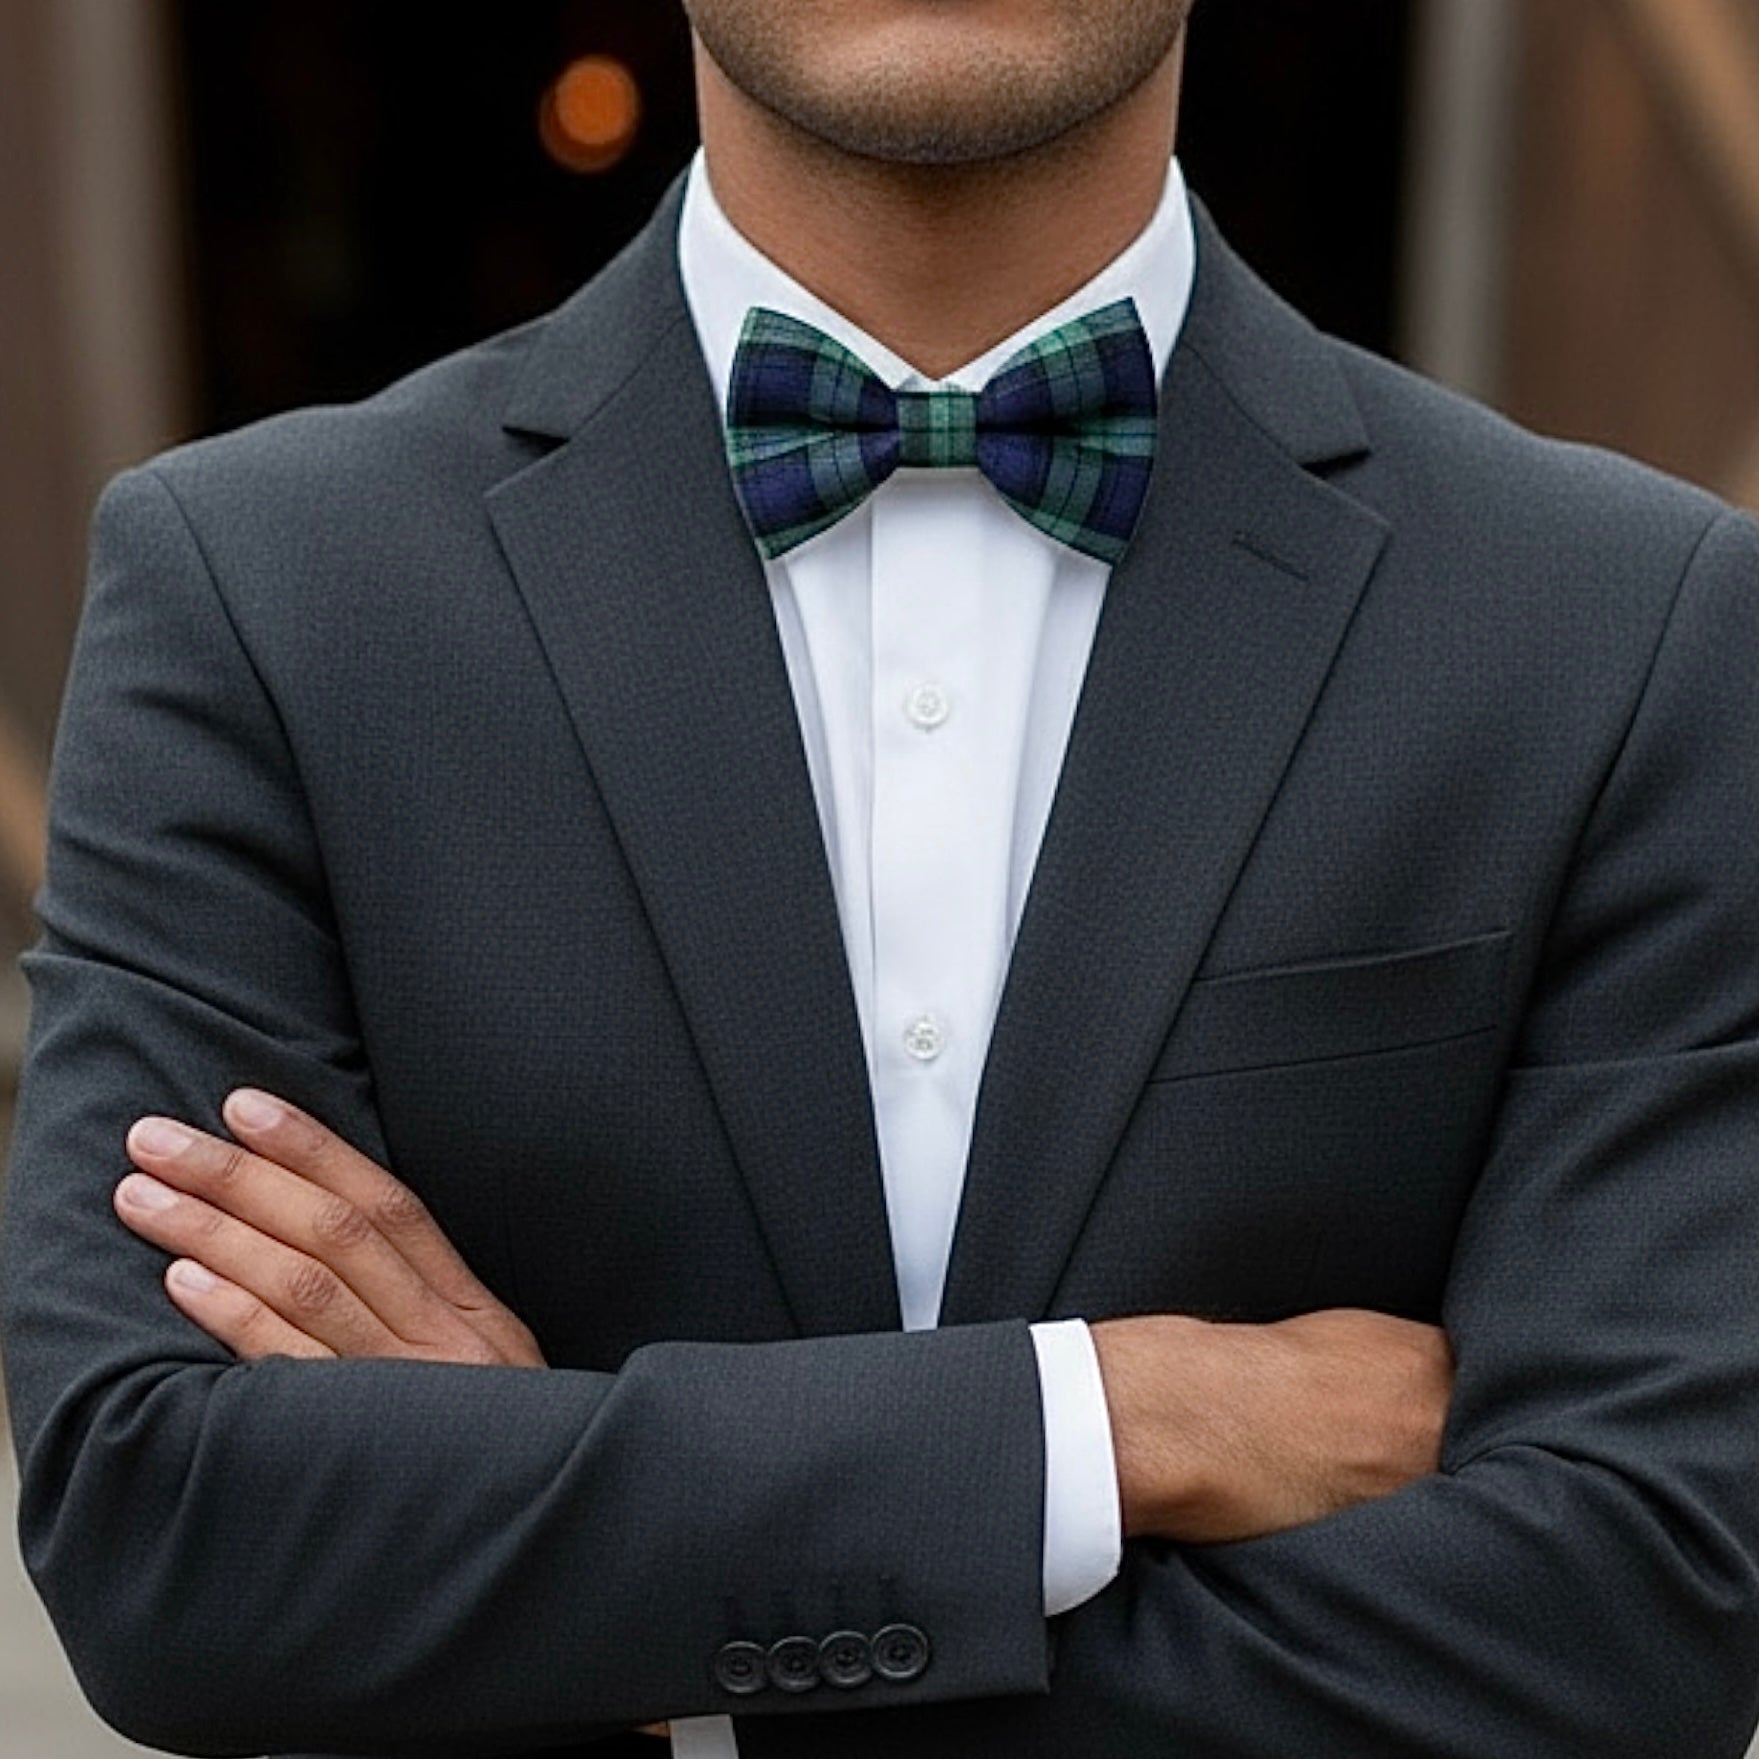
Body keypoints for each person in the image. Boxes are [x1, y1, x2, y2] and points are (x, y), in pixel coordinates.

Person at [6, 2, 1759, 1754]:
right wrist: (1103, 1423)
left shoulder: (1631, 630)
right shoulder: (258, 595)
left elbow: (1649, 1605)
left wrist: (618, 1626)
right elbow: (166, 1530)